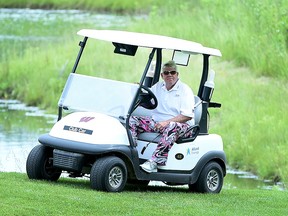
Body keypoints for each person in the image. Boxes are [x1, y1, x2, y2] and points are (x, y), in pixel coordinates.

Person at [129, 60, 195, 173]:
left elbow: (186, 115)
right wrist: (138, 90)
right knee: (131, 120)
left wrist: (166, 122)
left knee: (172, 126)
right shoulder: (158, 87)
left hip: (182, 127)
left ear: (177, 74)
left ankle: (155, 161)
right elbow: (148, 99)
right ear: (162, 75)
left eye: (173, 72)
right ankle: (132, 151)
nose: (170, 75)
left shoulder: (185, 90)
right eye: (166, 73)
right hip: (158, 123)